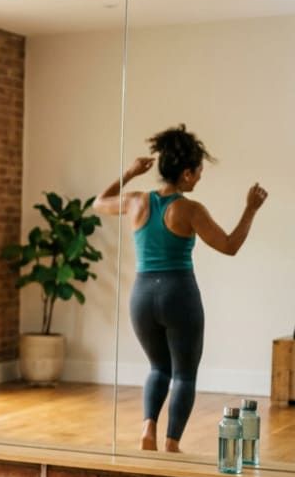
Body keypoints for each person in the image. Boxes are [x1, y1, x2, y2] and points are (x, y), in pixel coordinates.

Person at [94, 124, 267, 453]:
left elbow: (98, 202)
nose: (200, 177)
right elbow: (230, 245)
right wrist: (250, 209)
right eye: (199, 171)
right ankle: (172, 444)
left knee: (158, 368)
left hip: (142, 296)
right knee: (184, 374)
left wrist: (129, 173)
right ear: (186, 174)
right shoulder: (189, 210)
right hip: (179, 294)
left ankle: (148, 429)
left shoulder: (136, 202)